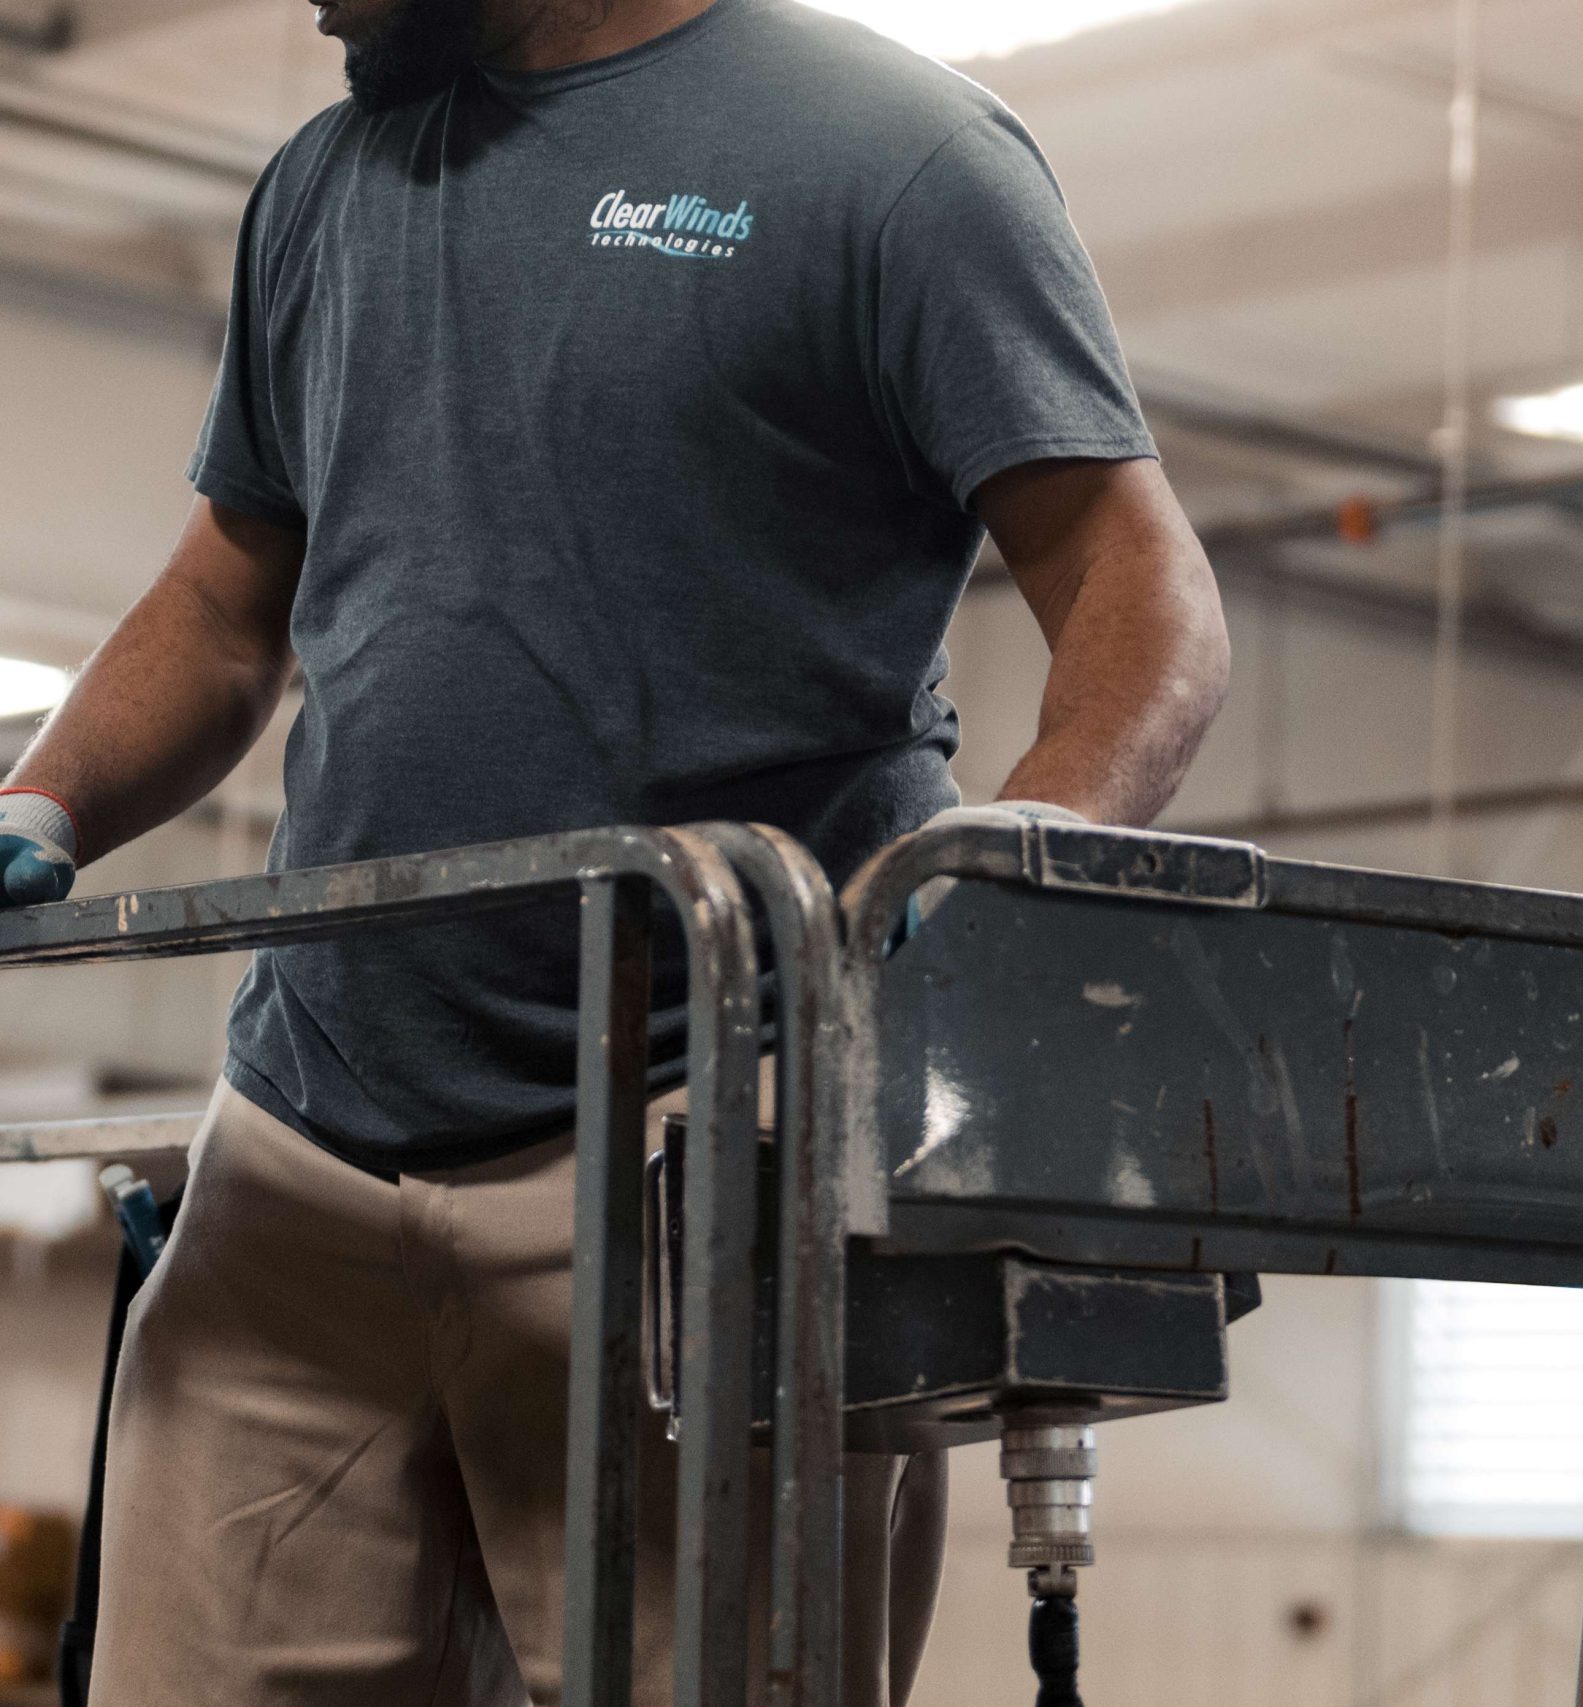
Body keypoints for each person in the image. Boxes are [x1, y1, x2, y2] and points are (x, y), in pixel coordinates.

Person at [0, 0, 1230, 1699]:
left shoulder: (892, 157)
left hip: (703, 1150)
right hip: (304, 1139)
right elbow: (226, 604)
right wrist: (36, 804)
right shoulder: (323, 183)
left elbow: (1138, 587)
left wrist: (1037, 844)